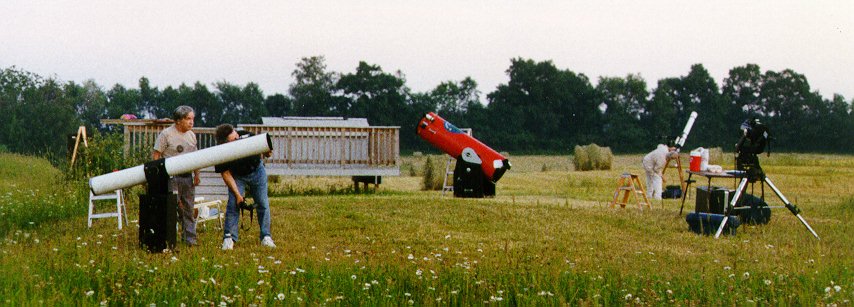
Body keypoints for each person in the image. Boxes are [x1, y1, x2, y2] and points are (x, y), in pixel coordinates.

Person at [214, 124, 275, 250]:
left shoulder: (248, 136)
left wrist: (268, 151)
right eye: (233, 141)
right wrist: (238, 195)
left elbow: (267, 153)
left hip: (257, 170)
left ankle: (266, 236)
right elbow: (226, 174)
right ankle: (229, 238)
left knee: (262, 203)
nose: (237, 140)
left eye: (236, 136)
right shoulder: (220, 151)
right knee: (233, 205)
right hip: (237, 175)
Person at [152, 105, 200, 246]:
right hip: (171, 178)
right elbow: (156, 155)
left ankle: (190, 240)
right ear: (178, 120)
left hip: (187, 177)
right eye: (188, 119)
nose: (191, 122)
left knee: (188, 209)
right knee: (171, 209)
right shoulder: (166, 134)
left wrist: (196, 174)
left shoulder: (192, 135)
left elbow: (196, 157)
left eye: (192, 119)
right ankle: (169, 239)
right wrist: (160, 177)